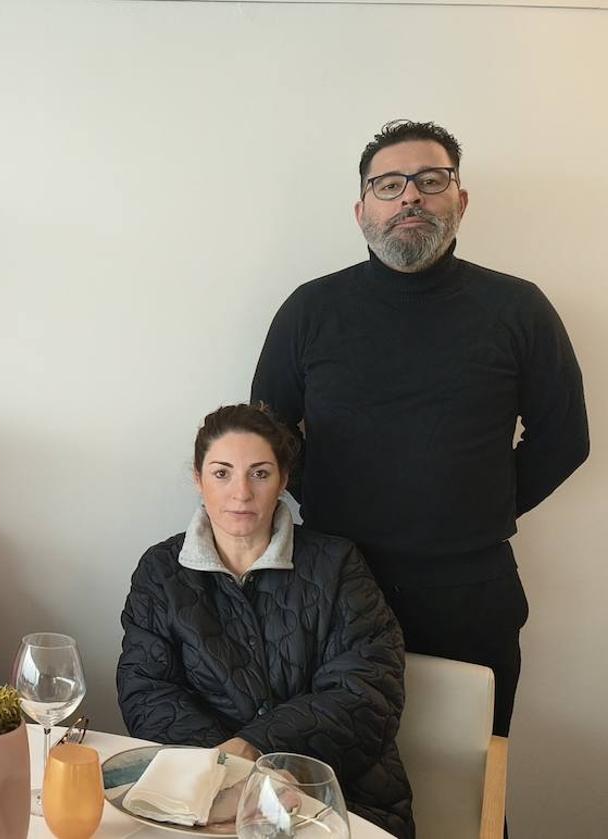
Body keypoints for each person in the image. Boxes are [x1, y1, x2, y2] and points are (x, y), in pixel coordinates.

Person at [251, 119, 589, 737]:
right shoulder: (311, 310)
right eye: (389, 184)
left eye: (429, 180)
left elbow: (566, 438)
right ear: (361, 210)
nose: (409, 196)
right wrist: (330, 502)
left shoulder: (518, 309)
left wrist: (475, 504)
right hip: (330, 586)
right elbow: (263, 441)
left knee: (470, 787)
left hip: (469, 593)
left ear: (459, 201)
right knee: (325, 783)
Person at [117, 404, 413, 838]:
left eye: (259, 473)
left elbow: (368, 692)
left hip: (338, 794)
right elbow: (146, 690)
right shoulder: (162, 571)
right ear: (198, 480)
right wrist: (225, 771)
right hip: (202, 795)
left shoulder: (337, 564)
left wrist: (256, 746)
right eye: (222, 473)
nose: (241, 493)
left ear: (283, 481)